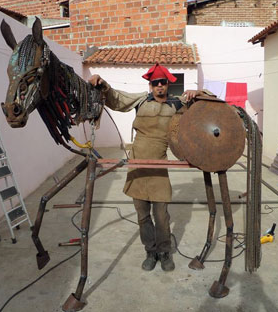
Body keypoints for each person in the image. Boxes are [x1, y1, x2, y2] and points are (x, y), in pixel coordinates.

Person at [89, 63, 209, 272]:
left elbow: (207, 103)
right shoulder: (141, 100)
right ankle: (150, 251)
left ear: (168, 84)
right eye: (155, 83)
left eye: (163, 82)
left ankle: (164, 252)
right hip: (137, 164)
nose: (160, 86)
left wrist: (198, 92)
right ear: (151, 85)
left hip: (158, 165)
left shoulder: (178, 103)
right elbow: (117, 99)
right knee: (142, 214)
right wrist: (102, 83)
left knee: (161, 214)